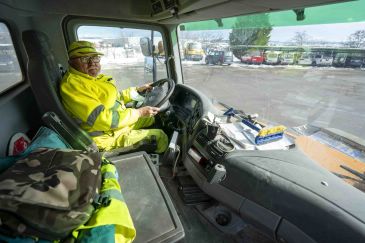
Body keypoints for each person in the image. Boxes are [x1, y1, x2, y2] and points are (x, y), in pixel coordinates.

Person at [60, 40, 168, 153]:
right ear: (71, 62)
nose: (92, 63)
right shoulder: (74, 85)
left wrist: (137, 90)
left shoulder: (91, 78)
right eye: (85, 59)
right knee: (160, 136)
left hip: (116, 126)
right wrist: (139, 113)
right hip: (106, 137)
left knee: (153, 119)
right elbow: (102, 119)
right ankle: (164, 165)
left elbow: (114, 98)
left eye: (95, 58)